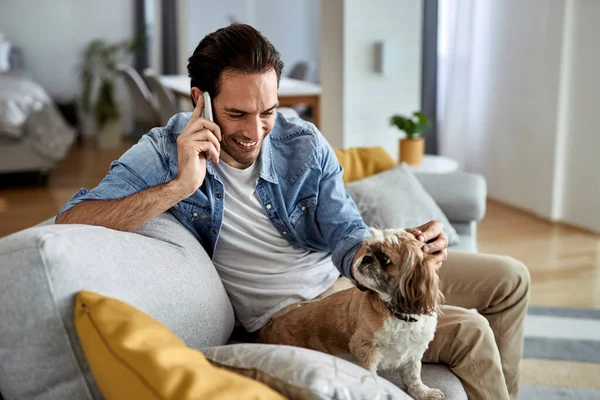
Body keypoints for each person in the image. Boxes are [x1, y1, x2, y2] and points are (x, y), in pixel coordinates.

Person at [56, 23, 529, 400]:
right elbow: (71, 222)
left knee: (510, 279)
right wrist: (181, 185)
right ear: (199, 99)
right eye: (237, 114)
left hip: (348, 278)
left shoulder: (300, 141)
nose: (255, 131)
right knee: (469, 330)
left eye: (268, 111)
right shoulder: (163, 152)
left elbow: (345, 232)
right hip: (296, 313)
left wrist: (401, 254)